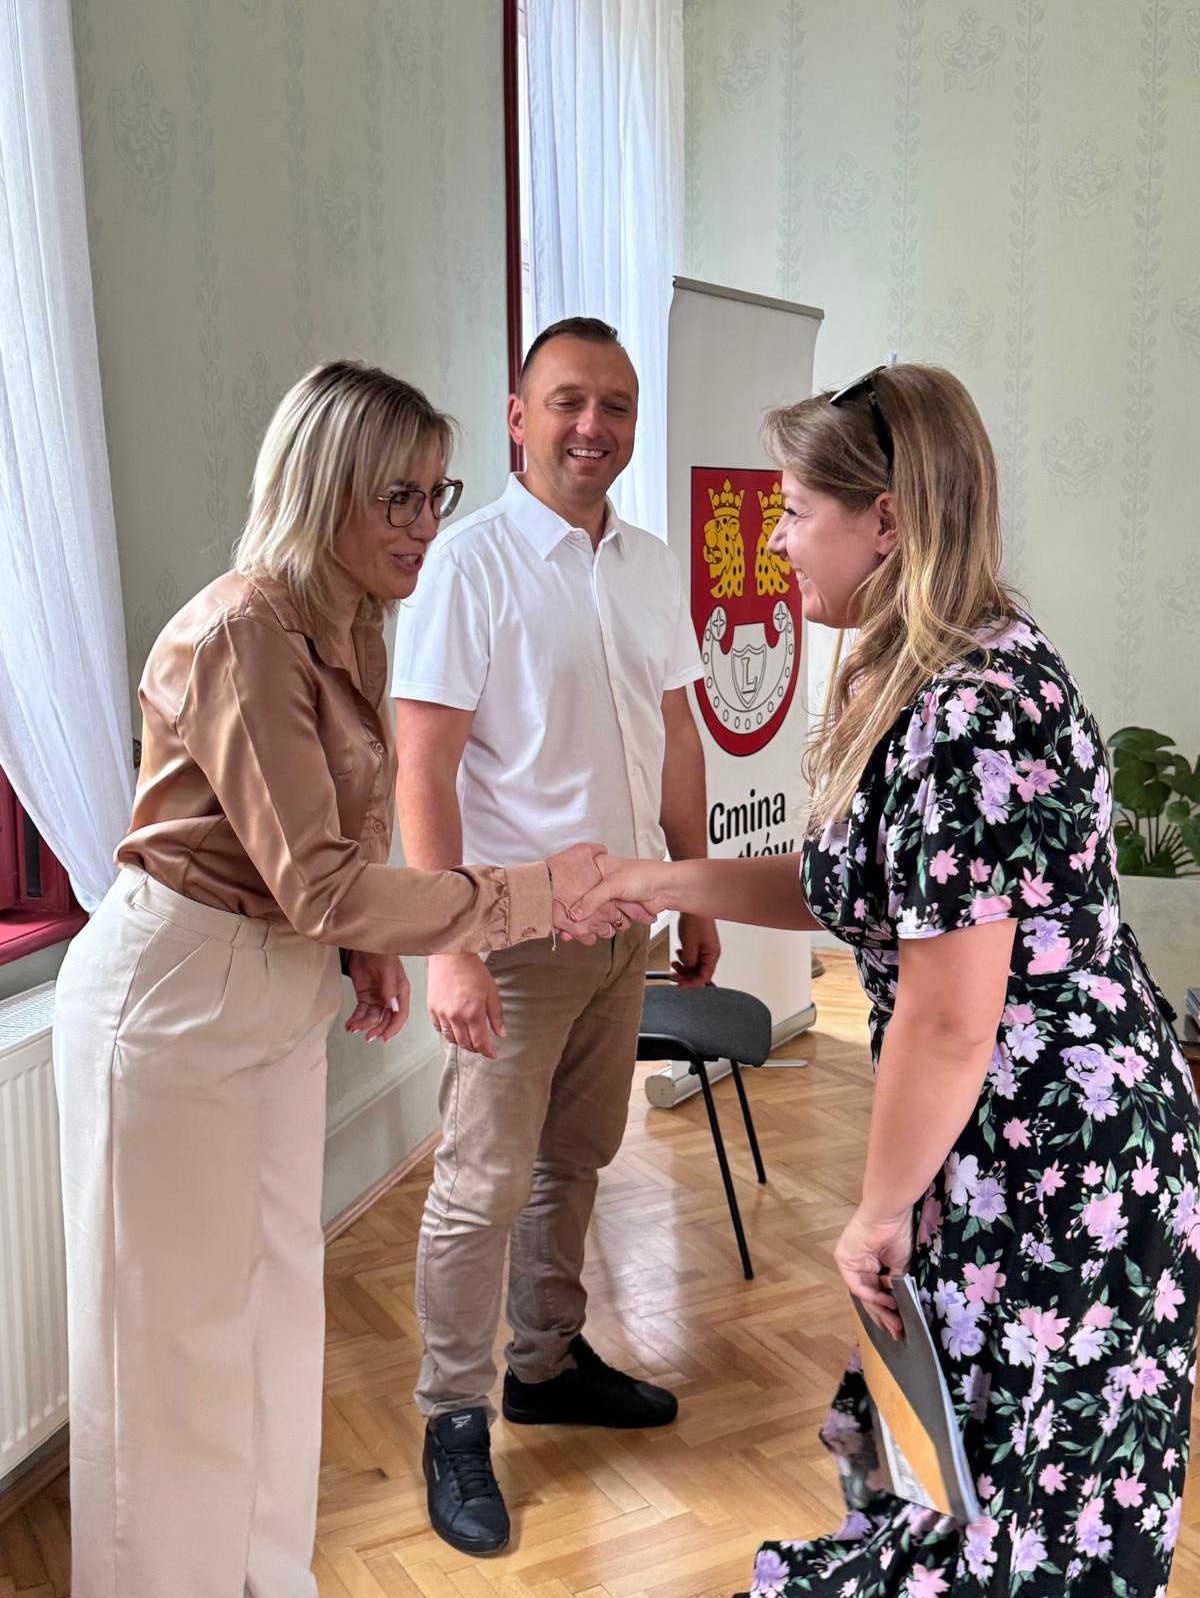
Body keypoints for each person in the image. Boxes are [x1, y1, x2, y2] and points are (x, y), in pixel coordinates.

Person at [574, 363, 1200, 1596]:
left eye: (796, 510)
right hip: (1007, 1147)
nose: (775, 538)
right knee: (964, 1492)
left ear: (890, 521)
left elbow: (951, 1015)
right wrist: (661, 879)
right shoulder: (925, 672)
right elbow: (863, 887)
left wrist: (875, 1209)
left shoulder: (971, 711)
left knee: (1025, 1529)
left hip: (1062, 1169)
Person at [51, 359, 635, 1598]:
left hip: (267, 982)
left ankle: (264, 1579)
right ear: (323, 490)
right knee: (165, 1350)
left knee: (272, 1312)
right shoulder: (241, 632)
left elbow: (326, 841)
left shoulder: (353, 619)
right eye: (397, 497)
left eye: (436, 492)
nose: (424, 523)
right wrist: (532, 894)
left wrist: (363, 946)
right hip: (172, 995)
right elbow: (316, 877)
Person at [392, 316, 721, 1555]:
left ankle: (544, 1361)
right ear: (519, 417)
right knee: (479, 1182)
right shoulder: (468, 565)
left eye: (617, 406)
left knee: (576, 1154)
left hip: (624, 921)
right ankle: (452, 1415)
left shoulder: (648, 560)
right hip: (511, 933)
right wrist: (448, 944)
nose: (595, 427)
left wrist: (693, 888)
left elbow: (677, 732)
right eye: (570, 401)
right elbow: (422, 769)